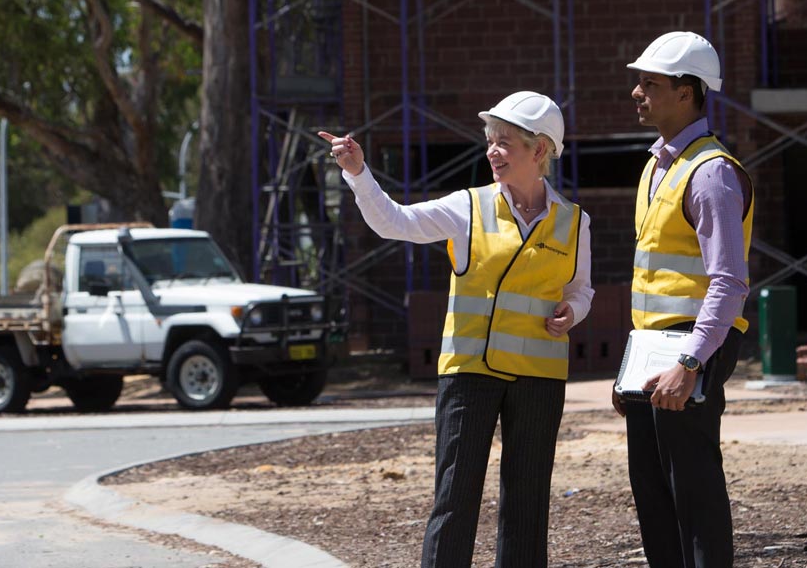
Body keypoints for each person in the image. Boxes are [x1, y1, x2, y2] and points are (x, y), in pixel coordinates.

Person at [321, 90, 593, 568]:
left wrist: (573, 311)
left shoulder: (574, 223)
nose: (492, 150)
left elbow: (581, 289)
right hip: (470, 373)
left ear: (540, 150)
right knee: (455, 498)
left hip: (539, 377)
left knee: (528, 503)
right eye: (490, 140)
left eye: (505, 141)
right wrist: (358, 173)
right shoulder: (469, 207)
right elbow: (394, 222)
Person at [618, 31, 753, 568]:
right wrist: (630, 369)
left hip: (688, 349)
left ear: (688, 92)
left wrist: (692, 362)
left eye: (650, 82)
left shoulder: (711, 173)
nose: (636, 91)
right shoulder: (657, 166)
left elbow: (729, 283)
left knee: (694, 497)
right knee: (654, 498)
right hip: (653, 351)